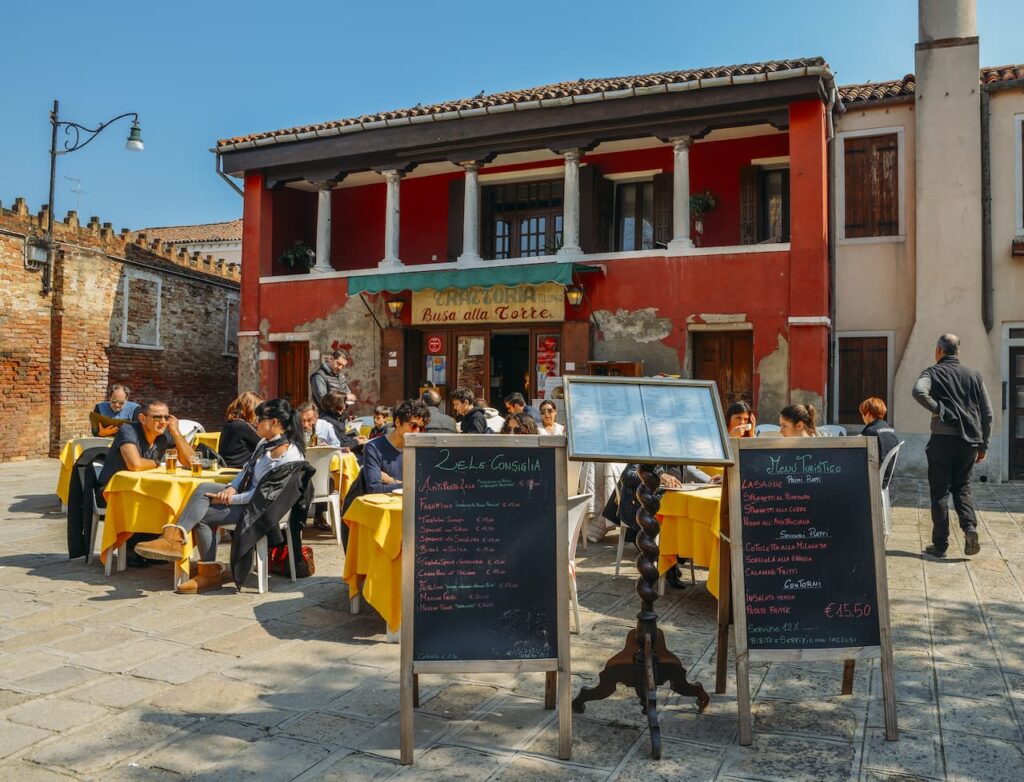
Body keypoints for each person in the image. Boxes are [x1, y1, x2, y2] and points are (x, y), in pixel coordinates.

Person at [134, 398, 306, 592]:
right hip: (249, 498)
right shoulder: (265, 444)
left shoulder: (289, 455)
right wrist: (231, 487)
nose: (254, 422)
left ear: (274, 422)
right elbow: (245, 471)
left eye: (259, 419)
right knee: (203, 487)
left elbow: (266, 495)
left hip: (263, 509)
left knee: (203, 516)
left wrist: (230, 498)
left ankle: (208, 573)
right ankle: (173, 538)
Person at [912, 333, 992, 558]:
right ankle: (970, 528)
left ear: (939, 350)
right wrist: (984, 445)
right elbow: (987, 413)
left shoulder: (931, 372)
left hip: (942, 440)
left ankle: (940, 545)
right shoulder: (974, 376)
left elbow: (918, 391)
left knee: (940, 492)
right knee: (962, 486)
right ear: (958, 351)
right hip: (969, 442)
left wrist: (940, 410)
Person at [341, 400, 429, 546]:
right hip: (379, 518)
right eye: (413, 426)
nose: (417, 432)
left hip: (411, 516)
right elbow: (374, 488)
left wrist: (392, 482)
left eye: (421, 428)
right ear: (398, 422)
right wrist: (407, 486)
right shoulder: (374, 447)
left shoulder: (422, 448)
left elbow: (426, 487)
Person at [97, 400, 195, 488]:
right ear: (142, 419)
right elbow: (135, 465)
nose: (163, 422)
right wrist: (157, 463)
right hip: (114, 488)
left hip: (143, 486)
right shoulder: (127, 430)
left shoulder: (166, 433)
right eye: (157, 417)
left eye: (166, 417)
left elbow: (191, 462)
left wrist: (177, 433)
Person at [859, 397, 899, 484]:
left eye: (862, 414)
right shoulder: (890, 429)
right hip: (887, 477)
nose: (862, 417)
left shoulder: (871, 431)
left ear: (868, 414)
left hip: (874, 479)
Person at [219, 392, 263, 467]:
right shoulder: (241, 426)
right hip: (240, 469)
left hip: (229, 466)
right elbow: (263, 443)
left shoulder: (231, 424)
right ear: (250, 409)